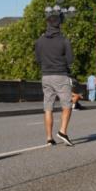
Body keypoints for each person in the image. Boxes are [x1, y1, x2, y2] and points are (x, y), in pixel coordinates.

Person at [34, 13, 75, 146]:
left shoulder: (40, 41)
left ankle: (49, 138)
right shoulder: (64, 40)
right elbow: (70, 60)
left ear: (47, 24)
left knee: (48, 107)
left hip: (46, 76)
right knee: (67, 105)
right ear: (59, 25)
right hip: (61, 75)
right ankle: (62, 131)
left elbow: (38, 59)